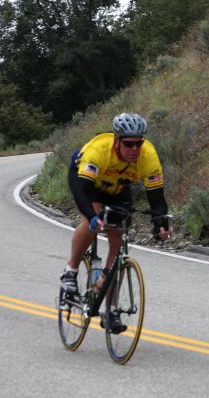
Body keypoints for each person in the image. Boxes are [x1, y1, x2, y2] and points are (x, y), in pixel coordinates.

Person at [60, 112, 173, 306]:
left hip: (118, 188)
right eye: (129, 144)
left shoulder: (148, 156)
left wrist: (160, 223)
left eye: (139, 143)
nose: (135, 149)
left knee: (118, 238)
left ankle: (111, 306)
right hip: (88, 184)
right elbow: (81, 191)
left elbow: (157, 199)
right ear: (117, 141)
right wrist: (91, 216)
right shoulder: (99, 151)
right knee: (90, 224)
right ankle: (70, 272)